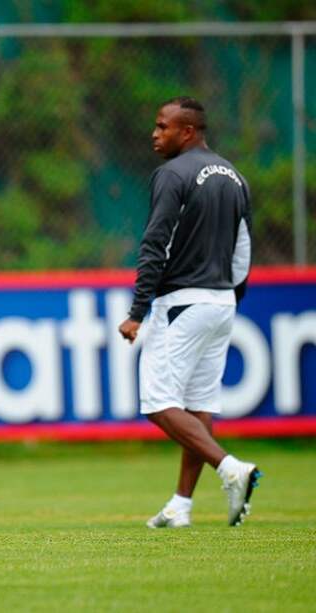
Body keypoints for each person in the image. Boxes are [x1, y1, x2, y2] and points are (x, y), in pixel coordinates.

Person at [118, 96, 260, 528]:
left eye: (163, 127)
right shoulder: (234, 177)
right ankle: (181, 504)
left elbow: (155, 243)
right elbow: (243, 248)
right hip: (221, 302)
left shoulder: (172, 174)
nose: (155, 134)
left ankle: (230, 468)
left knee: (158, 403)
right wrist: (230, 299)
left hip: (182, 302)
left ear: (188, 131)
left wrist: (137, 311)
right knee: (198, 406)